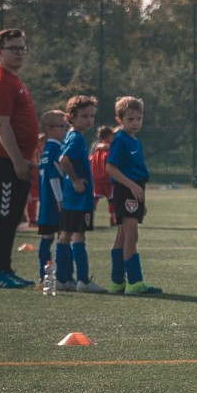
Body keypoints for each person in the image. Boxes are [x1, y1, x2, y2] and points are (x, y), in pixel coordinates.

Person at [0, 28, 38, 288]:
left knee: (13, 217)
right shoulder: (1, 81)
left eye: (22, 48)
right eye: (13, 48)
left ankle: (6, 270)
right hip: (5, 160)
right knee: (4, 216)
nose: (19, 53)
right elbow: (2, 126)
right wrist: (17, 161)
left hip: (18, 159)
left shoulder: (15, 79)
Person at [106, 96, 162, 295]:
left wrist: (141, 200)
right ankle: (135, 282)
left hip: (134, 190)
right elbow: (110, 168)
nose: (135, 123)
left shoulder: (134, 140)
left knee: (122, 236)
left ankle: (117, 282)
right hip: (127, 189)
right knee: (132, 236)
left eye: (138, 118)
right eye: (130, 119)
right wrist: (131, 187)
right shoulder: (120, 139)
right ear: (119, 120)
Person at [56, 95, 106, 293]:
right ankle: (83, 281)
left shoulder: (70, 134)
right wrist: (76, 180)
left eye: (92, 116)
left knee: (66, 235)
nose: (89, 120)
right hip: (78, 197)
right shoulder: (76, 137)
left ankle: (62, 278)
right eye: (84, 116)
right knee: (78, 235)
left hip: (71, 197)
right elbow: (64, 159)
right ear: (72, 117)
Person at [36, 111, 67, 284]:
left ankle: (44, 277)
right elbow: (54, 176)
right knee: (63, 238)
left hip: (46, 204)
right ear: (49, 129)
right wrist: (60, 200)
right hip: (55, 204)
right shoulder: (56, 148)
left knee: (47, 239)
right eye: (62, 127)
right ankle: (64, 277)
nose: (65, 130)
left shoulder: (46, 149)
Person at [90, 126, 117, 226]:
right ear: (108, 136)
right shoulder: (109, 149)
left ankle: (89, 220)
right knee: (111, 200)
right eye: (112, 136)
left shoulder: (95, 148)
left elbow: (90, 159)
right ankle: (112, 220)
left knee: (95, 199)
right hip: (107, 178)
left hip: (96, 178)